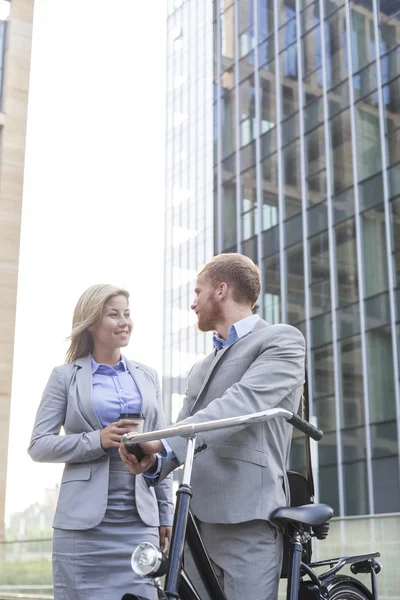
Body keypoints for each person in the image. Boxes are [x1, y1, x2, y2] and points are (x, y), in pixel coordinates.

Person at [120, 253, 306, 600]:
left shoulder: (281, 340)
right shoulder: (200, 368)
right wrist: (154, 460)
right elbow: (181, 431)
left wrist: (161, 444)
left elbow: (243, 402)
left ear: (221, 290)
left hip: (247, 515)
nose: (193, 303)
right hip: (194, 522)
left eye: (197, 291)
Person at [28, 284, 173, 600]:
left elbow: (163, 447)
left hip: (139, 523)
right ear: (92, 323)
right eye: (114, 315)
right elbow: (39, 444)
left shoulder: (148, 376)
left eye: (127, 314)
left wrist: (166, 514)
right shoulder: (64, 376)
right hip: (83, 528)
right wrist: (97, 439)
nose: (124, 322)